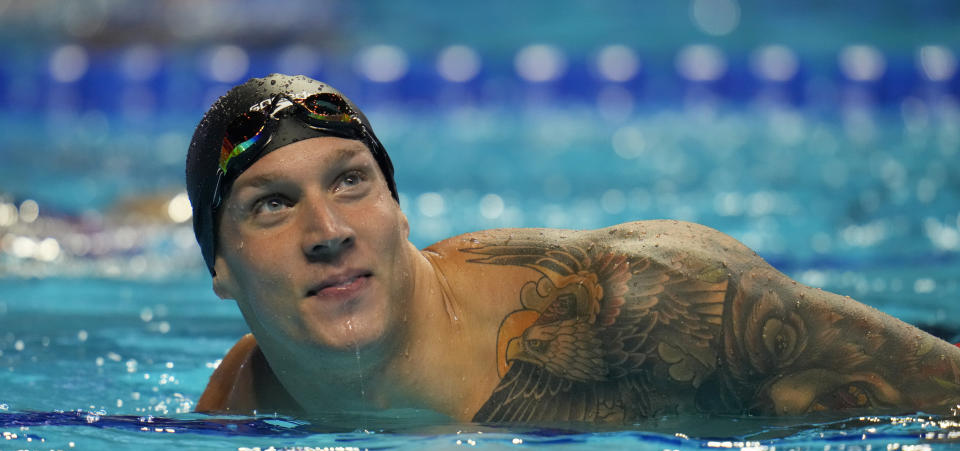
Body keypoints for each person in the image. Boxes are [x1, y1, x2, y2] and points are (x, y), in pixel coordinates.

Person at [186, 74, 960, 423]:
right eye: (273, 205)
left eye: (351, 181)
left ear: (400, 211)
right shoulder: (250, 401)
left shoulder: (639, 305)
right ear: (221, 270)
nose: (329, 231)